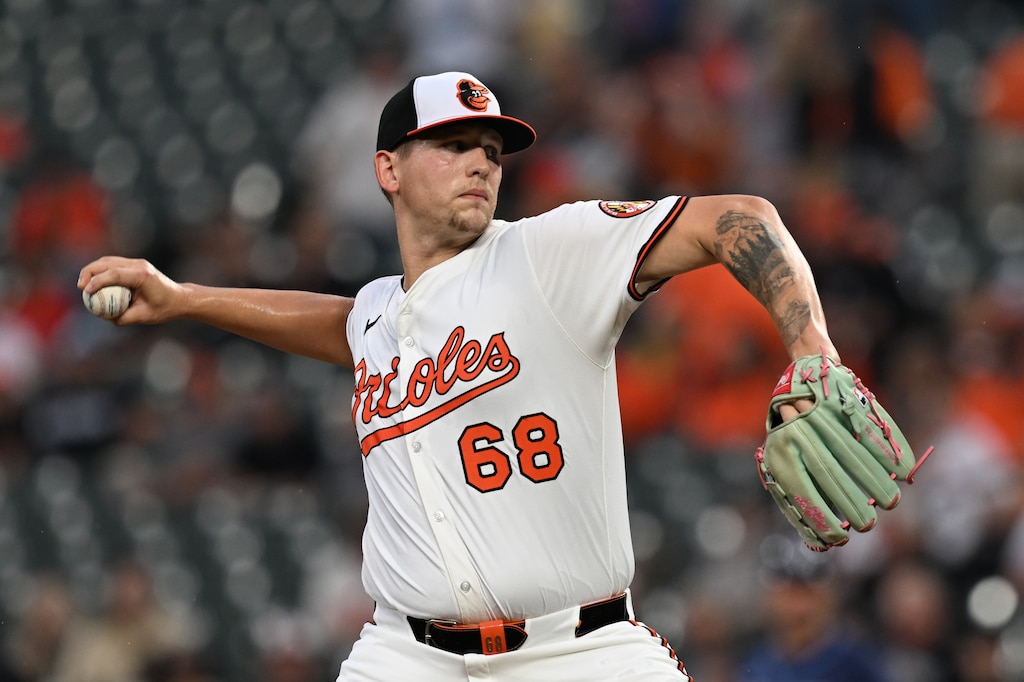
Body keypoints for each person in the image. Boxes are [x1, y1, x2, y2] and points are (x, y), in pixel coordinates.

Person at [80, 71, 840, 681]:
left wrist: (811, 347)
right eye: (451, 143)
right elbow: (337, 321)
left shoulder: (549, 254)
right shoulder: (378, 314)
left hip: (578, 651)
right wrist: (184, 299)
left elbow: (739, 215)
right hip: (406, 657)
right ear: (388, 169)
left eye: (490, 147)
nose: (481, 160)